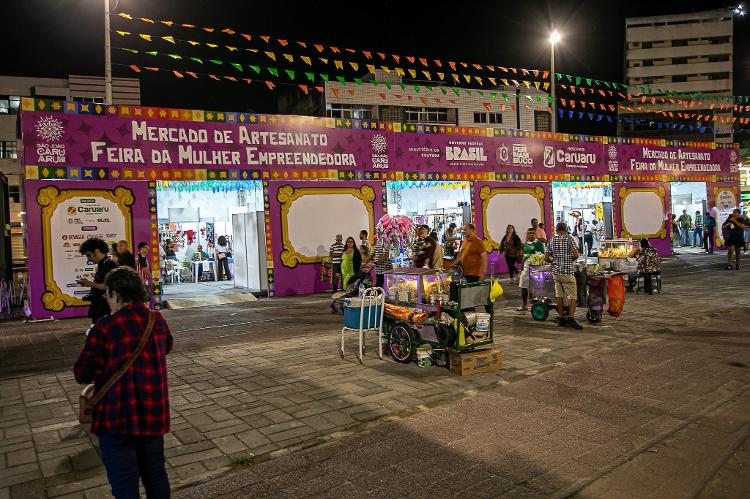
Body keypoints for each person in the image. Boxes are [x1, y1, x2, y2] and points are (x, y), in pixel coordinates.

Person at [74, 267, 172, 498]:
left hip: (117, 417)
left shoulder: (106, 327)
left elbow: (83, 373)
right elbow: (167, 346)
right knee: (156, 474)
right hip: (152, 412)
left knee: (124, 482)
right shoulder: (156, 320)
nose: (107, 300)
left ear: (116, 294)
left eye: (107, 295)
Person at [545, 222, 582, 330]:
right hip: (568, 273)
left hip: (556, 273)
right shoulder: (569, 239)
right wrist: (570, 260)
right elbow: (575, 254)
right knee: (572, 296)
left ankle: (561, 318)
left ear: (557, 230)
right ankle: (571, 318)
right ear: (566, 230)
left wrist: (555, 261)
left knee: (559, 296)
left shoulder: (551, 241)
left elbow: (546, 258)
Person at [78, 238, 119, 324]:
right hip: (99, 305)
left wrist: (90, 284)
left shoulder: (110, 265)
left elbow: (108, 286)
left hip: (105, 308)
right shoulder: (102, 264)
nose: (88, 259)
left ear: (96, 251)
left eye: (89, 255)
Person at [517, 228, 545, 312]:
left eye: (533, 233)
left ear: (535, 234)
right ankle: (524, 305)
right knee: (523, 287)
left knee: (536, 288)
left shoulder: (539, 243)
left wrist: (530, 255)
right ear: (527, 235)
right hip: (525, 269)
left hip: (535, 269)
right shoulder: (525, 244)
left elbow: (542, 256)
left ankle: (538, 305)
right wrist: (520, 270)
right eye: (529, 233)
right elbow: (522, 257)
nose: (531, 235)